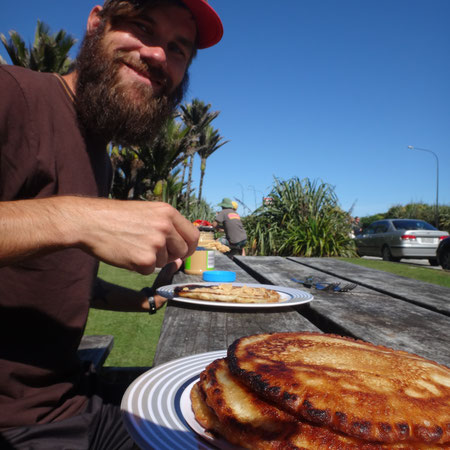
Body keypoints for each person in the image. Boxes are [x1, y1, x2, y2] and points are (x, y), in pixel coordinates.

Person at [0, 0, 223, 448]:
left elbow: (61, 280)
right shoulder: (13, 94)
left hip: (70, 401)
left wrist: (148, 301)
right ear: (96, 22)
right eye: (142, 26)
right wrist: (76, 218)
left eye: (179, 48)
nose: (159, 54)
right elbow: (69, 228)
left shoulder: (95, 150)